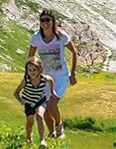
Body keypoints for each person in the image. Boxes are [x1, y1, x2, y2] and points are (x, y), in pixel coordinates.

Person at [28, 8, 79, 139]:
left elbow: (74, 52)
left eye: (48, 20)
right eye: (42, 20)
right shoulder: (36, 38)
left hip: (61, 76)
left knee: (52, 103)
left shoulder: (61, 37)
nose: (45, 23)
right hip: (45, 77)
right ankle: (51, 133)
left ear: (53, 21)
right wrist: (32, 74)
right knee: (44, 107)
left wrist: (73, 74)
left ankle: (59, 127)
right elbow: (31, 58)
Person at [14, 56, 54, 147]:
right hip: (28, 103)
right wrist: (20, 101)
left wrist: (52, 92)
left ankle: (42, 141)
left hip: (40, 101)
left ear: (39, 69)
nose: (32, 72)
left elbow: (51, 80)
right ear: (27, 70)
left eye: (34, 70)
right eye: (29, 70)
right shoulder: (26, 80)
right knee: (30, 123)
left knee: (40, 116)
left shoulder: (44, 79)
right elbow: (16, 92)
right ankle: (28, 137)